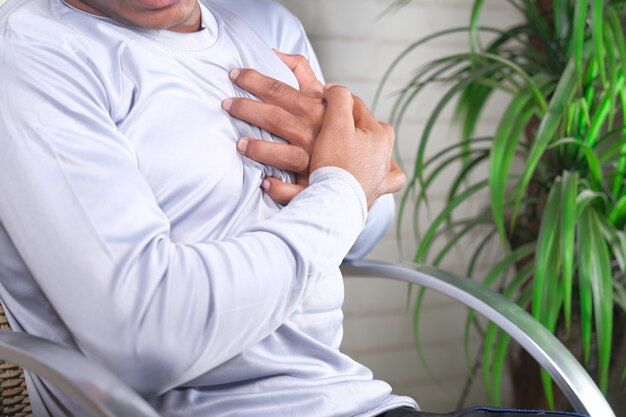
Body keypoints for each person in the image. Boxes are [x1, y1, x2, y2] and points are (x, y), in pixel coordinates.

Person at [0, 0, 412, 416]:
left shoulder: (268, 27)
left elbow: (361, 233)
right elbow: (147, 337)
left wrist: (344, 175)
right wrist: (346, 188)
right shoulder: (35, 48)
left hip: (364, 401)